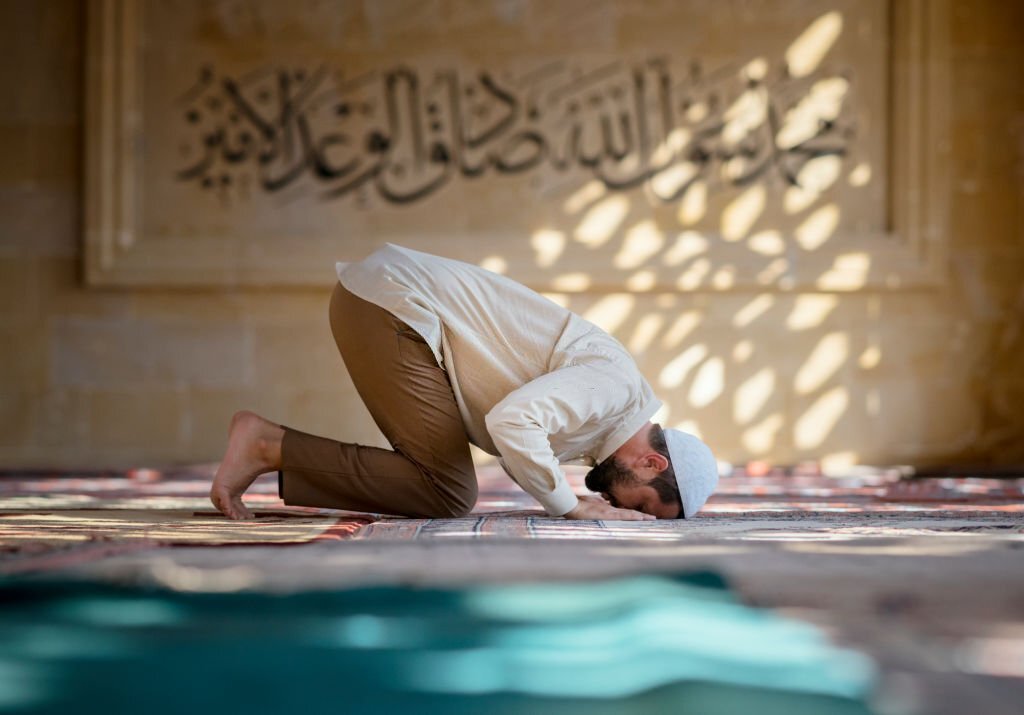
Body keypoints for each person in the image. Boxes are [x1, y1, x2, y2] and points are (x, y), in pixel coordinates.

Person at [210, 243, 719, 522]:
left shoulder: (600, 425)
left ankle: (271, 446)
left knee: (447, 489)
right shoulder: (614, 389)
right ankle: (265, 445)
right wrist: (568, 507)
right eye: (645, 505)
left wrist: (565, 497)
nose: (623, 510)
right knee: (448, 491)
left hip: (388, 305)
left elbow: (515, 438)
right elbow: (513, 421)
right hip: (395, 306)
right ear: (652, 463)